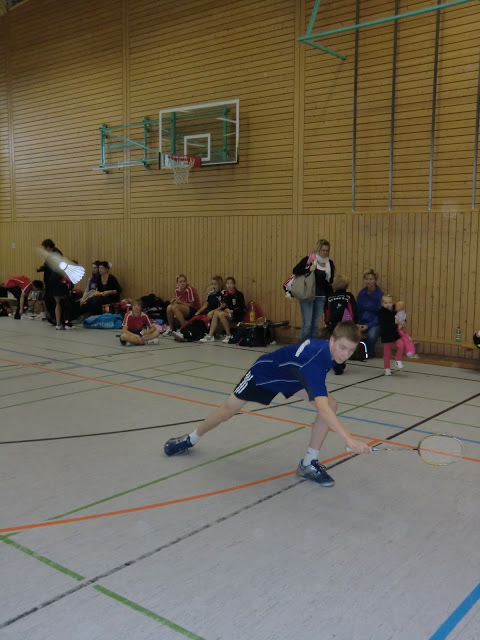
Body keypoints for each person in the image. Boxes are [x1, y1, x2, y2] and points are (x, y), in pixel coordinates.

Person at [164, 322, 371, 487]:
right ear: (332, 340)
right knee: (227, 411)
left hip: (293, 377)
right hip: (264, 374)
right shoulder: (315, 360)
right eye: (342, 348)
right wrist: (350, 440)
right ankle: (190, 438)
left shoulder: (329, 352)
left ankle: (308, 464)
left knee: (331, 404)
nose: (345, 355)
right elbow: (322, 408)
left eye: (350, 351)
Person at [293, 239, 335, 341]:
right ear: (318, 250)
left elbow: (330, 280)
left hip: (321, 296)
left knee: (315, 324)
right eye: (322, 250)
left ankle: (313, 345)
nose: (325, 253)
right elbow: (295, 270)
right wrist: (308, 269)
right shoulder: (310, 260)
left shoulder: (329, 263)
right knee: (307, 323)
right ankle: (303, 345)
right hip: (308, 294)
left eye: (327, 250)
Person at [324, 274, 359, 375]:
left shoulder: (330, 297)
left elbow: (327, 311)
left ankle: (338, 363)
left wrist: (327, 322)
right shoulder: (348, 296)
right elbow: (353, 310)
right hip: (345, 325)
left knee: (337, 344)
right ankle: (339, 364)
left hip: (334, 324)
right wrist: (354, 322)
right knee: (344, 344)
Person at [199, 276, 246, 343]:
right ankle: (210, 335)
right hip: (227, 314)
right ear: (226, 285)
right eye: (228, 283)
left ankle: (228, 335)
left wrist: (232, 311)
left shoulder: (239, 294)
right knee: (217, 313)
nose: (229, 285)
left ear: (234, 284)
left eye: (231, 283)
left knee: (220, 314)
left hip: (237, 315)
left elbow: (242, 308)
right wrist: (225, 309)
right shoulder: (225, 295)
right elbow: (223, 306)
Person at [37, 238, 70, 329]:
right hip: (54, 281)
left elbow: (52, 267)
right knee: (58, 302)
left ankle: (60, 322)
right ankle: (60, 322)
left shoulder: (55, 254)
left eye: (44, 248)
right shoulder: (53, 254)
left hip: (55, 281)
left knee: (59, 302)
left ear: (48, 247)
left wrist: (43, 268)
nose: (44, 250)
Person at [356, 268, 384, 358]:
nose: (369, 281)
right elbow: (357, 310)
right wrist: (358, 324)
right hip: (361, 322)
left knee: (371, 335)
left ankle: (369, 353)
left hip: (375, 323)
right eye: (367, 279)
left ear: (375, 280)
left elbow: (380, 315)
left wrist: (368, 325)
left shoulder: (380, 295)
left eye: (371, 279)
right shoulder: (361, 293)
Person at [378, 294, 404, 376]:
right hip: (386, 335)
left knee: (401, 345)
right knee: (387, 353)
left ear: (392, 303)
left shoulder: (394, 311)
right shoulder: (381, 312)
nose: (388, 305)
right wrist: (395, 323)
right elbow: (386, 323)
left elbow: (401, 317)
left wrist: (402, 322)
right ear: (382, 303)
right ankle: (387, 368)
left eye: (389, 303)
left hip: (395, 334)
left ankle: (398, 360)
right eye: (385, 303)